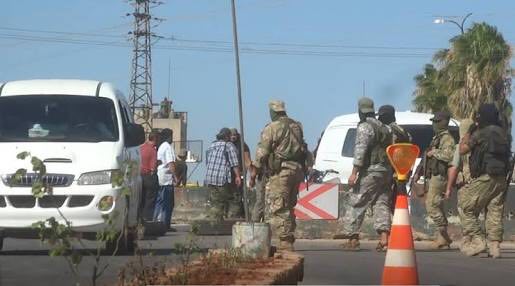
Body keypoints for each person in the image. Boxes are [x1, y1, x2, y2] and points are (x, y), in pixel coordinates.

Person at [250, 100, 307, 251]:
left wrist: (254, 173)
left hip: (281, 172)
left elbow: (262, 153)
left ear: (272, 112)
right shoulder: (297, 126)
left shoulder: (272, 128)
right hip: (297, 170)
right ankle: (288, 236)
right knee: (288, 205)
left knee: (279, 206)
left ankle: (286, 241)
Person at [340, 97, 392, 251]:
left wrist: (354, 173)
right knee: (381, 203)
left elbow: (360, 151)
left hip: (370, 171)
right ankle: (384, 239)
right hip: (385, 172)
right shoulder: (385, 127)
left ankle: (352, 239)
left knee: (357, 201)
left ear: (360, 111)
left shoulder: (364, 127)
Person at [458, 104, 510, 258]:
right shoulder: (503, 134)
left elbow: (462, 149)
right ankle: (494, 246)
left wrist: (468, 132)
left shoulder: (481, 133)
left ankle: (478, 240)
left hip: (485, 176)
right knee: (494, 210)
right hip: (501, 177)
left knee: (466, 206)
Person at [413, 110, 456, 249]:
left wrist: (434, 153)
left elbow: (449, 156)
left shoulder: (447, 138)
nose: (434, 124)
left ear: (443, 122)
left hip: (440, 176)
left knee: (431, 205)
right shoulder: (436, 138)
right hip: (432, 175)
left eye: (437, 122)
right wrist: (418, 172)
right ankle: (442, 238)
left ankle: (444, 234)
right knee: (437, 206)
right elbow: (427, 156)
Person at [445, 118, 474, 253]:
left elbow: (454, 168)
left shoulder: (460, 146)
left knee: (464, 211)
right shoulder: (479, 143)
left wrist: (449, 187)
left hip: (465, 184)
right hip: (481, 184)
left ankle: (468, 240)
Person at [204, 128, 242, 221]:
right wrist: (237, 176)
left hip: (209, 178)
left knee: (214, 202)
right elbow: (234, 163)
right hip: (221, 179)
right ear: (226, 136)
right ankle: (220, 221)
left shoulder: (212, 145)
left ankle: (214, 220)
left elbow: (207, 160)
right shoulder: (228, 146)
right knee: (225, 200)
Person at [154, 128, 176, 229]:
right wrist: (175, 176)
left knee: (159, 202)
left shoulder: (161, 146)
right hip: (166, 179)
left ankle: (155, 222)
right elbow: (170, 163)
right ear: (169, 136)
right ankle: (165, 224)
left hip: (160, 177)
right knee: (168, 203)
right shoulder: (168, 147)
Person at [230, 128, 251, 217]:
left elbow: (247, 160)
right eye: (231, 135)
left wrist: (245, 173)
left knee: (239, 194)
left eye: (234, 135)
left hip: (241, 173)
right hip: (229, 174)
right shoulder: (228, 145)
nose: (233, 137)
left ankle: (240, 213)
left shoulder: (243, 145)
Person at [140, 130, 160, 221]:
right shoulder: (153, 150)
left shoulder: (141, 148)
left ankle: (140, 219)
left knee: (141, 200)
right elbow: (153, 168)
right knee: (150, 200)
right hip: (149, 177)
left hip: (140, 177)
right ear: (155, 138)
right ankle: (147, 220)